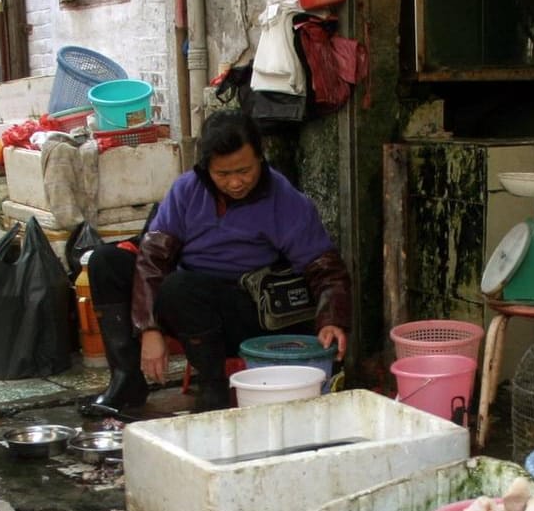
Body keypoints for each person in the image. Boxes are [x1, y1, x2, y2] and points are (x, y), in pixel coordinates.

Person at [84, 109, 352, 415]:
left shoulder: (284, 199)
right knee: (106, 261)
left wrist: (331, 319)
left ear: (260, 158)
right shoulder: (186, 190)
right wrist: (149, 329)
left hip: (246, 311)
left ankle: (214, 389)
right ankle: (127, 379)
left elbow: (325, 267)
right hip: (185, 301)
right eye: (223, 174)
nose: (236, 183)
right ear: (205, 168)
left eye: (244, 170)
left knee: (180, 287)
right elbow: (153, 257)